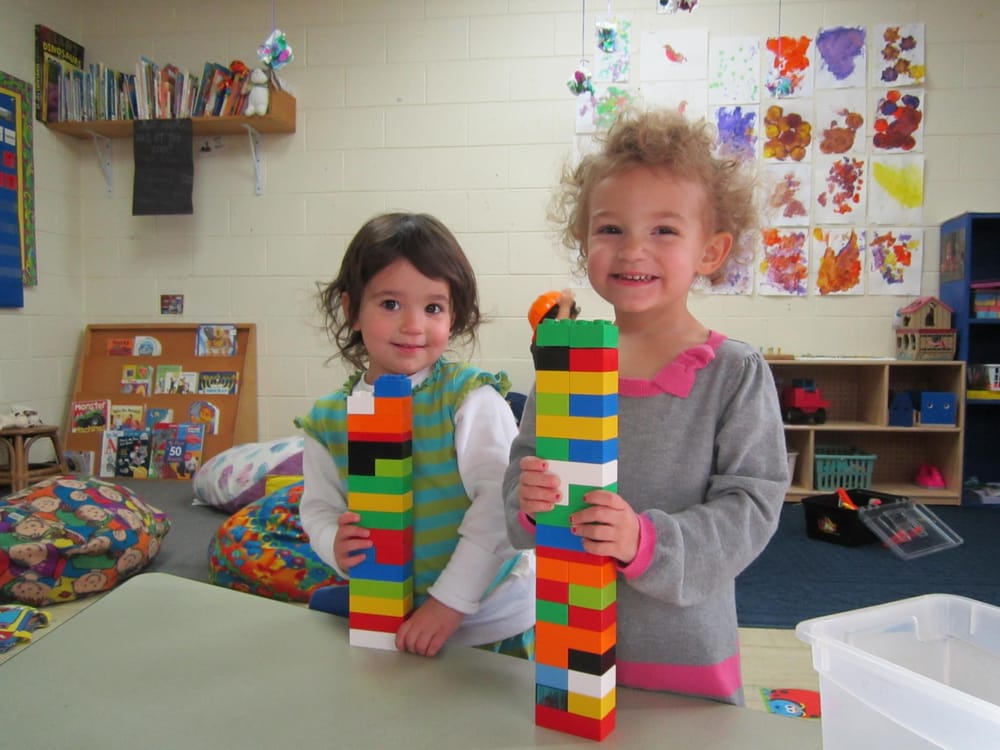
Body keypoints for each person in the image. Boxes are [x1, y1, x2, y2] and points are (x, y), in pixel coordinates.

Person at [502, 109, 790, 705]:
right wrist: (528, 503)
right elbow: (524, 464)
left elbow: (752, 505)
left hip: (683, 654)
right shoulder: (564, 362)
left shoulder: (732, 372)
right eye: (610, 229)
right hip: (571, 647)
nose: (633, 249)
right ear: (585, 244)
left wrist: (644, 540)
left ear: (710, 251)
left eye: (663, 230)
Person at [297, 212, 534, 659]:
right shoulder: (329, 419)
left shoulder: (470, 398)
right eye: (390, 304)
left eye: (433, 308)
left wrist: (449, 604)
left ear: (453, 314)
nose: (413, 325)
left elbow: (500, 507)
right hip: (387, 618)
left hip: (490, 621)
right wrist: (333, 543)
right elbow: (319, 508)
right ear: (352, 311)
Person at [527, 288, 580, 367]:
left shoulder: (569, 345)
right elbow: (557, 337)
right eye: (570, 322)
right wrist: (565, 308)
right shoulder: (540, 347)